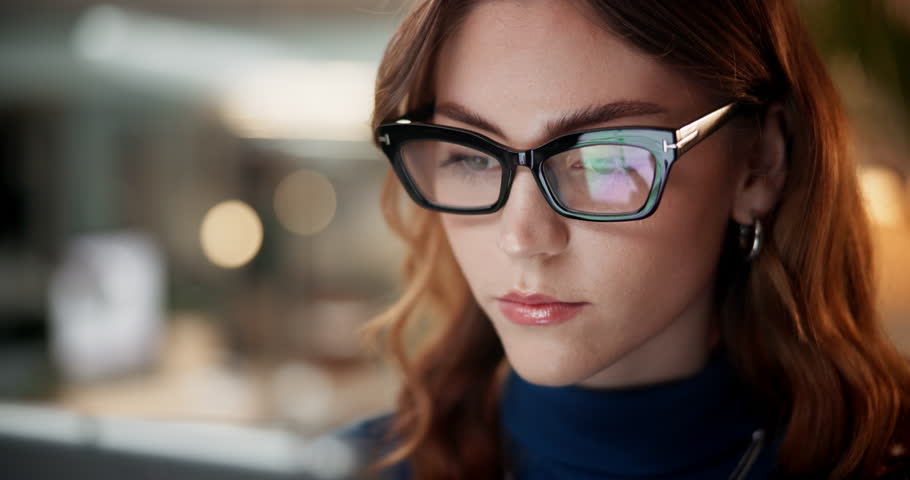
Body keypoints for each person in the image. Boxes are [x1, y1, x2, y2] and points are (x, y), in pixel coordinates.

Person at [338, 0, 910, 478]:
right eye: (470, 155)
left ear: (760, 162)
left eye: (605, 160)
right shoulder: (364, 466)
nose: (522, 237)